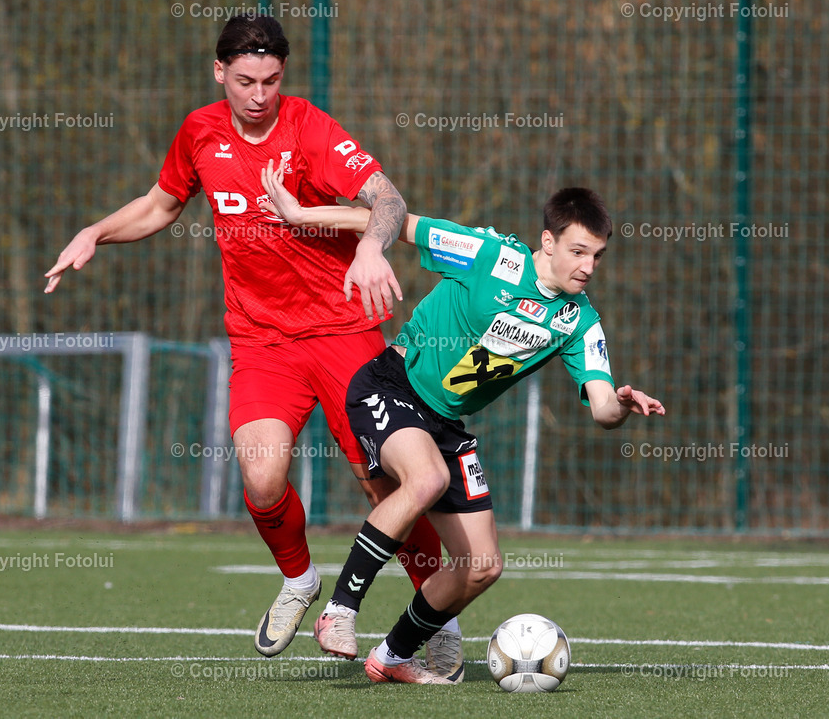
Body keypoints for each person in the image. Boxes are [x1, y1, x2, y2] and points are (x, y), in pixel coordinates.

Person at [43, 15, 461, 671]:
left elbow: (386, 197)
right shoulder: (199, 131)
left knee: (385, 488)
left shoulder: (311, 130)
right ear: (220, 74)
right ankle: (299, 580)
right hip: (263, 342)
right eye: (244, 81)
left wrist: (373, 248)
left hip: (346, 335)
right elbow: (162, 204)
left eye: (270, 79)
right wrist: (95, 232)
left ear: (283, 75)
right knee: (263, 477)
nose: (259, 94)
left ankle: (436, 621)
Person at [260, 163, 665, 684]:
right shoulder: (490, 255)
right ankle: (340, 610)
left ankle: (393, 657)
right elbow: (395, 221)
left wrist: (623, 403)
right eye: (578, 251)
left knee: (483, 566)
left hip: (446, 422)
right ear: (548, 241)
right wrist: (299, 213)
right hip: (392, 386)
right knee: (426, 479)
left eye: (598, 256)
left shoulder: (580, 320)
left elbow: (603, 406)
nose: (588, 267)